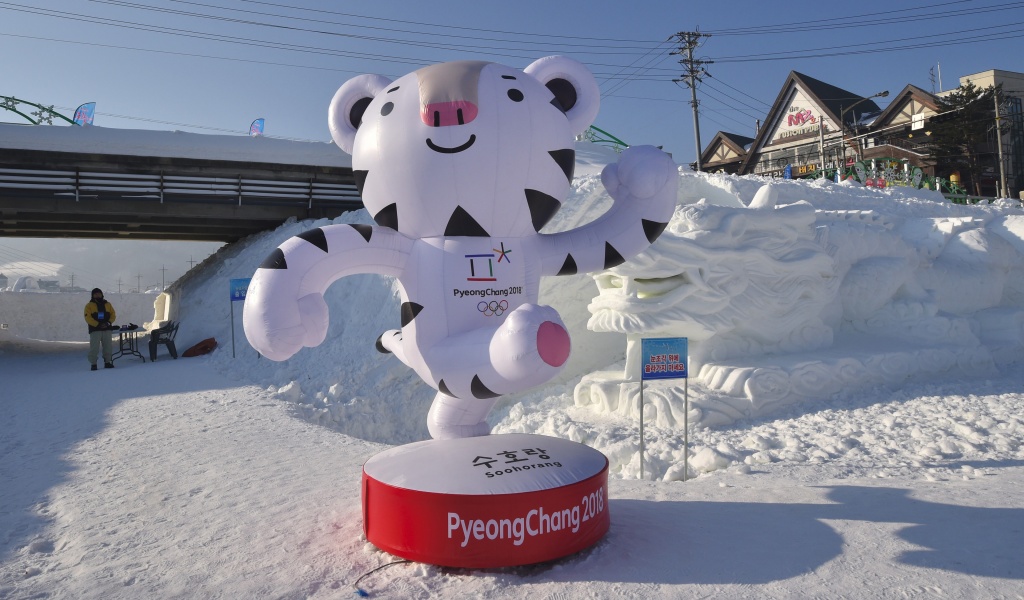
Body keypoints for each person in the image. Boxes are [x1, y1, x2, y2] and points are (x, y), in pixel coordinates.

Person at [84, 287, 117, 370]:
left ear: (102, 294)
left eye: (99, 293)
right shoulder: (89, 305)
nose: (97, 295)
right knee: (94, 347)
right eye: (95, 294)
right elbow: (88, 318)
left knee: (108, 347)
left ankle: (107, 362)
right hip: (95, 330)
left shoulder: (108, 304)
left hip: (107, 329)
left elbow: (113, 315)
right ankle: (93, 363)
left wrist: (108, 323)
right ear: (92, 295)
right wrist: (97, 324)